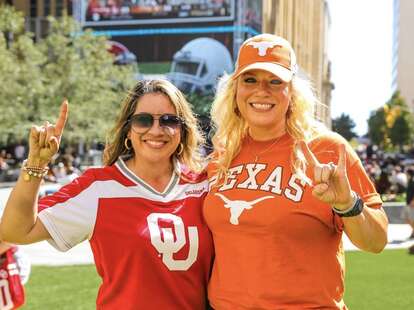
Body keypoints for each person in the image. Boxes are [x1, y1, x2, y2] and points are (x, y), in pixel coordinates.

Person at [203, 34, 388, 309]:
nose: (261, 90)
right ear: (235, 90)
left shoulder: (327, 149)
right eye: (250, 79)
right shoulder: (222, 154)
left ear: (292, 93)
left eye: (275, 81)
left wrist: (347, 204)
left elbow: (376, 241)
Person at [0, 79, 214, 309]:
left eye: (169, 120)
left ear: (183, 130)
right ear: (128, 131)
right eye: (143, 120)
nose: (156, 130)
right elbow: (17, 232)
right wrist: (36, 163)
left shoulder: (204, 185)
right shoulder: (97, 188)